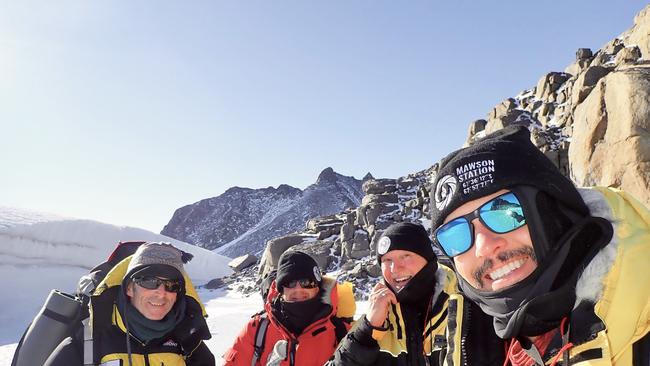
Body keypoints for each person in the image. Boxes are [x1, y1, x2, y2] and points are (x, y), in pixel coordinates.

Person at [429, 125, 650, 365]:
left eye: (504, 210)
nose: (483, 246)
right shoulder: (490, 344)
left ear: (554, 212)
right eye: (454, 235)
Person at [44, 242, 215, 366]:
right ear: (129, 288)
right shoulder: (90, 340)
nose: (162, 293)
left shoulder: (189, 343)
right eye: (149, 281)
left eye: (172, 285)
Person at [328, 222, 469, 366]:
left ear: (427, 259)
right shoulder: (378, 316)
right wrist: (366, 331)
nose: (394, 268)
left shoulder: (466, 305)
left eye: (405, 256)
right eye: (387, 260)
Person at [223, 250, 356, 366]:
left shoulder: (341, 332)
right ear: (281, 290)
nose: (298, 289)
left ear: (317, 287)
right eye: (290, 283)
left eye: (306, 282)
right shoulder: (257, 329)